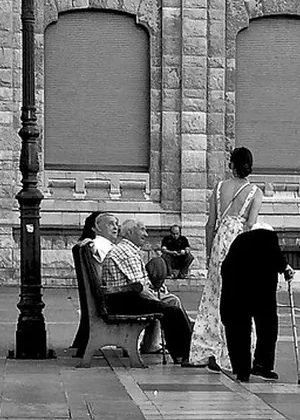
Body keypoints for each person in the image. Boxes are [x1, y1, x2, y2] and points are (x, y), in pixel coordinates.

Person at [188, 146, 262, 372]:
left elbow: (210, 224)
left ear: (231, 164)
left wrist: (209, 253)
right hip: (239, 244)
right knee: (240, 298)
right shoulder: (255, 192)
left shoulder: (219, 188)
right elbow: (250, 225)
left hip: (219, 243)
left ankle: (208, 346)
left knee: (214, 295)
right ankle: (235, 350)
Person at [98, 219, 194, 361]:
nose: (146, 234)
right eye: (142, 230)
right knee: (172, 310)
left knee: (170, 301)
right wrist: (157, 299)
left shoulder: (127, 250)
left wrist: (157, 291)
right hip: (125, 300)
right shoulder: (126, 253)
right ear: (130, 232)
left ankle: (152, 344)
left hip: (123, 297)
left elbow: (141, 283)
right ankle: (183, 354)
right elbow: (140, 288)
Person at [220, 220, 295, 383]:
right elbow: (276, 257)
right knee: (267, 329)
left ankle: (242, 370)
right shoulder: (268, 237)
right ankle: (262, 365)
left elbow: (225, 268)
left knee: (238, 331)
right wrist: (286, 268)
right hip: (262, 293)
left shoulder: (240, 240)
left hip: (235, 292)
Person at [70, 211, 107, 356]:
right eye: (109, 224)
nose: (116, 228)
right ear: (95, 228)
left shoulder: (87, 245)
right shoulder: (98, 246)